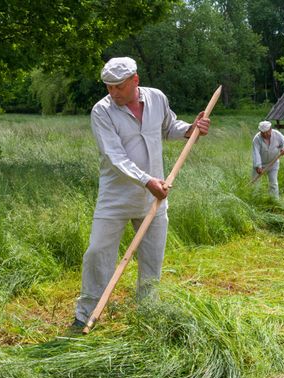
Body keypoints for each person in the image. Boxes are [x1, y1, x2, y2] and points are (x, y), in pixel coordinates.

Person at [72, 57, 211, 328]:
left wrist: (191, 129)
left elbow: (170, 127)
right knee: (97, 253)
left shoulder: (157, 98)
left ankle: (147, 312)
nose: (113, 93)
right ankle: (86, 314)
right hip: (116, 197)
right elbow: (114, 156)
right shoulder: (102, 112)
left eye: (119, 87)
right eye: (108, 87)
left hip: (154, 196)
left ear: (135, 80)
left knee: (152, 257)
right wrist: (147, 180)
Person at [252, 120, 284, 198]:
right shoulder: (257, 139)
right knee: (255, 183)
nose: (265, 134)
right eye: (262, 132)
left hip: (273, 162)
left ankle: (275, 201)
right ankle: (255, 199)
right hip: (261, 163)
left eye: (267, 132)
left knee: (273, 183)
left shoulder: (277, 135)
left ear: (270, 129)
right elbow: (256, 153)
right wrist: (258, 166)